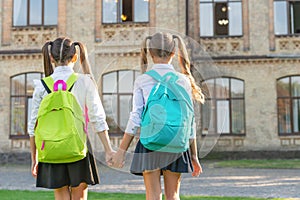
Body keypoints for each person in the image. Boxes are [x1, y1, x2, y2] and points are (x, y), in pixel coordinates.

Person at [112, 32, 204, 200]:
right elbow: (190, 120)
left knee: (153, 196)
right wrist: (194, 156)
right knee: (173, 195)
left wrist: (121, 151)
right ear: (173, 52)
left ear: (150, 53)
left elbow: (136, 117)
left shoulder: (143, 80)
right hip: (177, 143)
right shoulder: (183, 80)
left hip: (150, 142)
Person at [28, 37, 114, 200]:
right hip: (78, 146)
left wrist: (35, 158)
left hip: (51, 147)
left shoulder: (41, 85)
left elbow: (33, 125)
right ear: (75, 57)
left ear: (51, 58)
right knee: (79, 196)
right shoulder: (85, 81)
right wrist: (108, 149)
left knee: (60, 195)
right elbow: (98, 118)